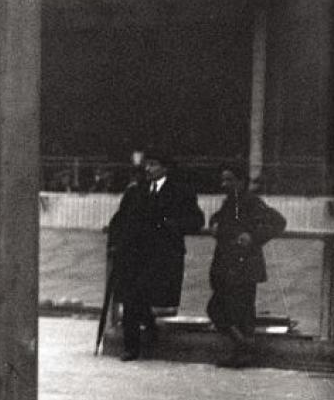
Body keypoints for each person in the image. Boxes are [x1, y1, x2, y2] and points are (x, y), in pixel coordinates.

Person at [106, 152, 203, 361]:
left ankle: (148, 327)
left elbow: (196, 220)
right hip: (136, 254)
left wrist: (171, 224)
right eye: (146, 165)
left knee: (140, 295)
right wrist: (115, 240)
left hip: (163, 255)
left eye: (153, 165)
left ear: (165, 168)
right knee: (132, 296)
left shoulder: (180, 192)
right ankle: (132, 346)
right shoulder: (136, 191)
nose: (148, 169)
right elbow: (121, 218)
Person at [206, 165, 286, 368]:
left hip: (244, 266)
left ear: (241, 182)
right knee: (222, 309)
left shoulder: (252, 202)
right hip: (228, 265)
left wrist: (253, 237)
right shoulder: (230, 203)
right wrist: (213, 223)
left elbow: (278, 222)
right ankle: (245, 348)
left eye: (229, 180)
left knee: (235, 310)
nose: (224, 184)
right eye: (223, 180)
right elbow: (217, 218)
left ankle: (244, 351)